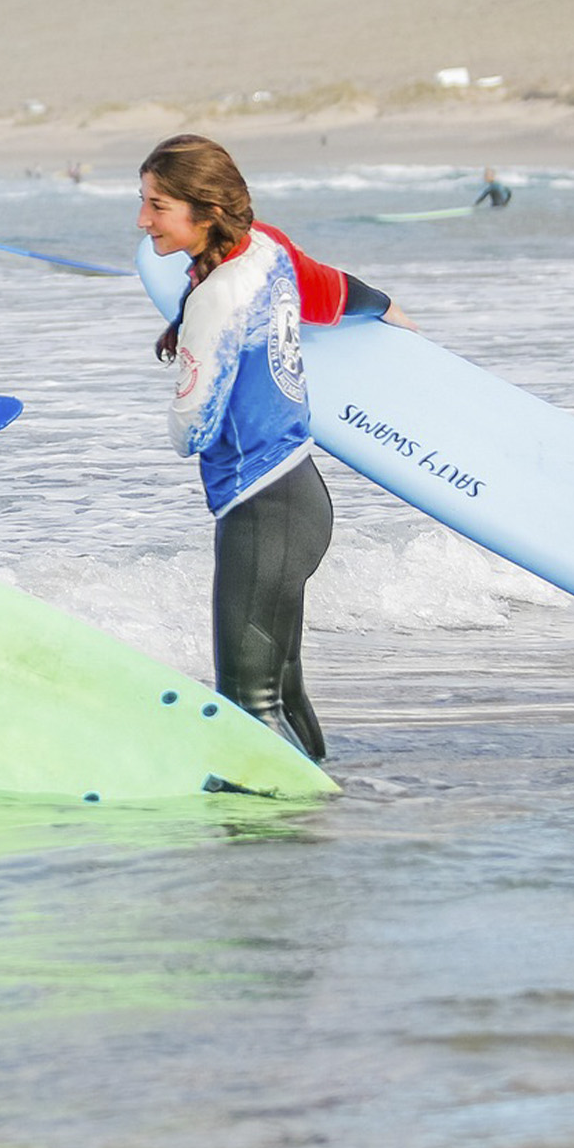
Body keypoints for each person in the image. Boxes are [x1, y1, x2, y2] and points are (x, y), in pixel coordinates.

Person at [135, 134, 407, 762]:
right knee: (280, 690)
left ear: (206, 213)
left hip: (258, 507)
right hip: (298, 496)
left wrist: (192, 365)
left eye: (157, 205)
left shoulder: (218, 297)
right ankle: (322, 812)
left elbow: (193, 431)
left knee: (247, 702)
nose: (143, 219)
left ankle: (265, 842)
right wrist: (386, 307)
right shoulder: (267, 247)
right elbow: (329, 288)